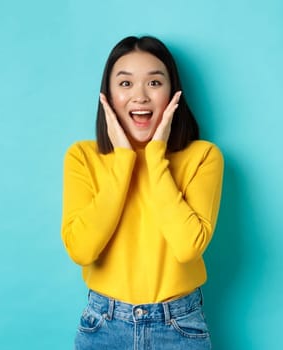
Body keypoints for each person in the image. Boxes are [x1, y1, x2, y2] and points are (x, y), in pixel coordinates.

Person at [61, 35, 224, 349]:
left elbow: (187, 247)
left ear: (173, 93)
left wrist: (155, 155)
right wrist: (124, 159)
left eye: (154, 82)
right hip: (103, 326)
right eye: (125, 84)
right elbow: (82, 250)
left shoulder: (203, 157)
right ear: (106, 95)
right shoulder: (82, 157)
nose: (140, 96)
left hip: (179, 327)